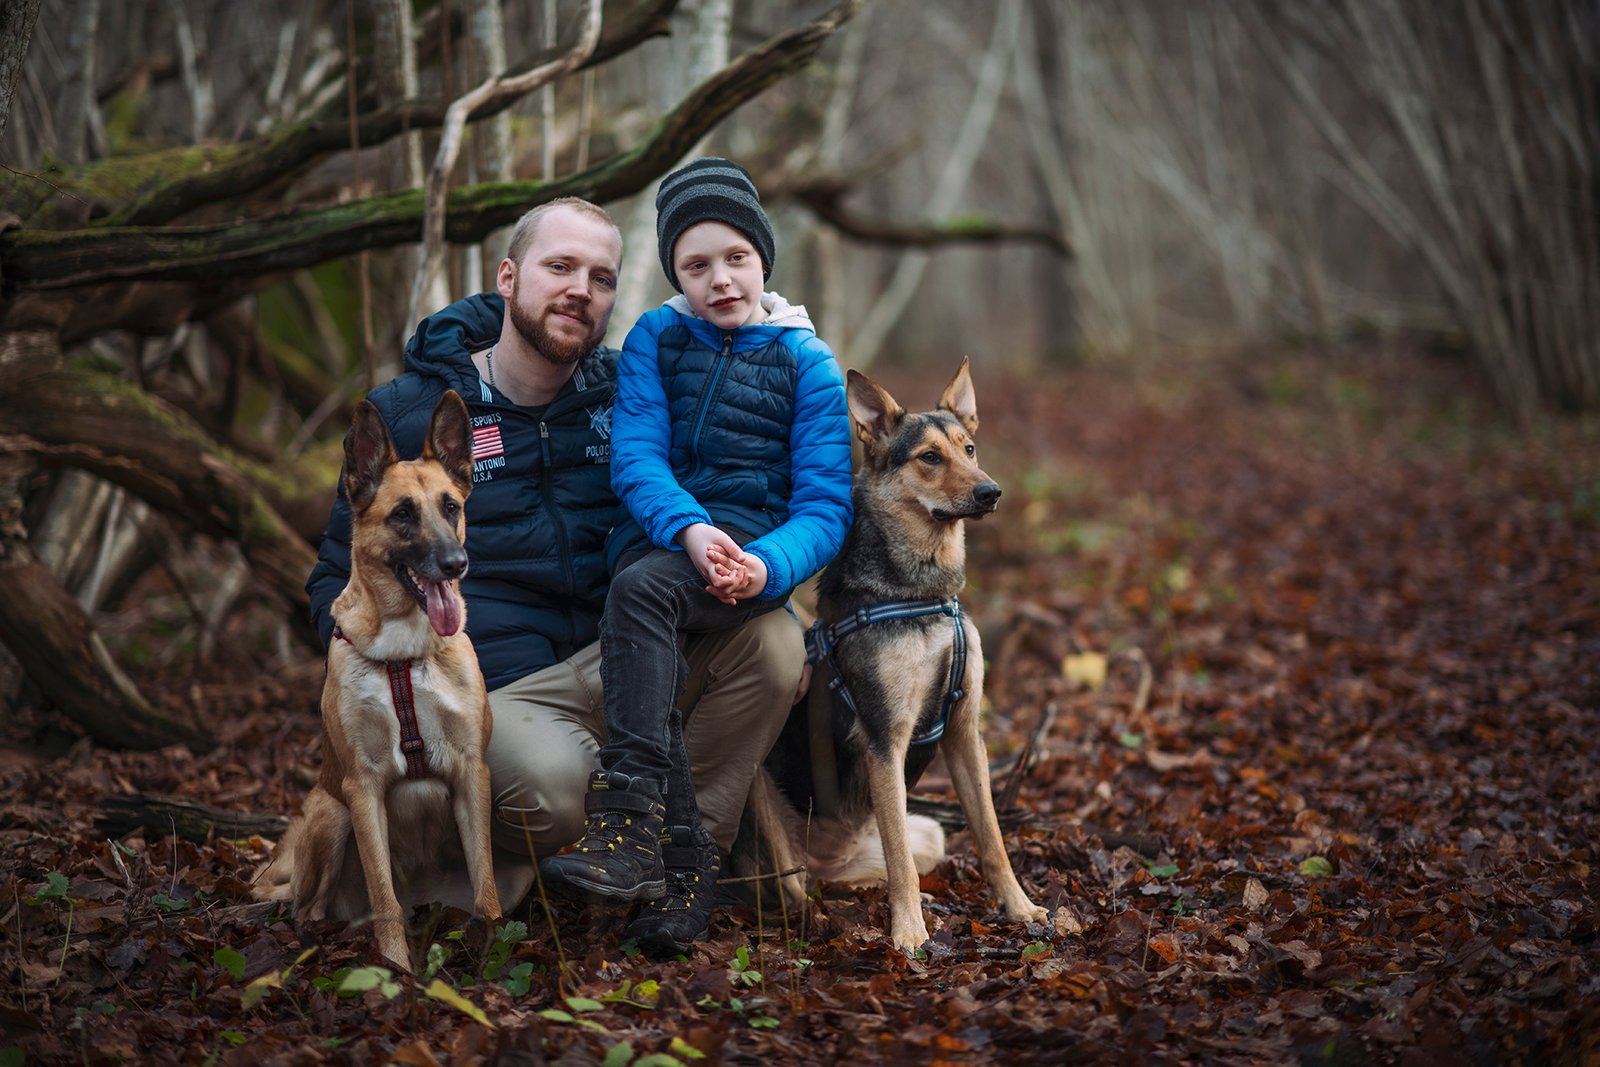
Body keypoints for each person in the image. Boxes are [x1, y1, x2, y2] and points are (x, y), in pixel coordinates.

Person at [303, 196, 805, 949]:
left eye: (602, 277)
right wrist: (390, 692)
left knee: (771, 641)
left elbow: (732, 466)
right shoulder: (411, 413)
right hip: (499, 690)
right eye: (559, 267)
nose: (581, 290)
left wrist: (780, 341)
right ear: (508, 276)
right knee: (562, 786)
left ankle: (683, 854)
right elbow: (330, 586)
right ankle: (568, 842)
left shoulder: (627, 392)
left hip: (628, 656)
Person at [538, 158, 852, 955]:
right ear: (675, 271)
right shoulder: (655, 338)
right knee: (650, 621)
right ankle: (683, 875)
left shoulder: (806, 362)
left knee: (645, 602)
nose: (719, 279)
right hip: (666, 544)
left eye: (735, 258)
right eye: (696, 264)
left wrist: (767, 566)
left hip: (748, 564)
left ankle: (632, 826)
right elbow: (636, 457)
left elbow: (824, 507)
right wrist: (688, 529)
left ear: (763, 259)